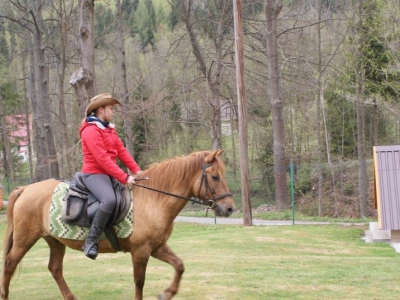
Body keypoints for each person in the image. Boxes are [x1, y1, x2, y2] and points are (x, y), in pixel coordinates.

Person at [79, 93, 141, 260]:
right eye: (111, 108)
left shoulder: (109, 129)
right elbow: (102, 159)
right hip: (93, 174)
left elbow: (121, 151)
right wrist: (125, 177)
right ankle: (91, 241)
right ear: (101, 109)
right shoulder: (90, 130)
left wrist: (137, 171)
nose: (113, 112)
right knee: (110, 200)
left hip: (108, 174)